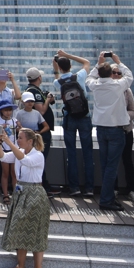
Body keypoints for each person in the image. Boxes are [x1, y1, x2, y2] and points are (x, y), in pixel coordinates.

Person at [81, 52, 134, 209]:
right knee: (112, 166)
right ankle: (106, 200)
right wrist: (118, 62)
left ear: (99, 73)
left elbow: (89, 78)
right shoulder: (118, 85)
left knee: (105, 164)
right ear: (112, 73)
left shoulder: (95, 85)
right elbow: (129, 75)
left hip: (101, 129)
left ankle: (109, 196)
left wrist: (99, 63)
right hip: (116, 130)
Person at [0, 129, 49, 268]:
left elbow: (25, 160)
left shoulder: (38, 155)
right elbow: (2, 157)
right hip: (20, 193)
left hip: (35, 193)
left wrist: (9, 143)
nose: (18, 140)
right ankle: (21, 265)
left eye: (20, 138)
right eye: (17, 138)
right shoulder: (18, 151)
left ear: (30, 141)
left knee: (37, 230)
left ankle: (38, 267)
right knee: (19, 228)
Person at [53, 54, 96, 197]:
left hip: (69, 118)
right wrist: (64, 54)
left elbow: (57, 76)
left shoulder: (57, 83)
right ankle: (89, 188)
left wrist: (56, 64)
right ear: (70, 66)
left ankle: (74, 188)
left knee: (71, 154)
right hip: (84, 117)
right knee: (88, 153)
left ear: (59, 67)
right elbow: (86, 61)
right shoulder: (80, 76)